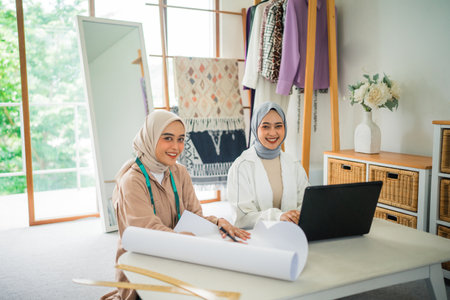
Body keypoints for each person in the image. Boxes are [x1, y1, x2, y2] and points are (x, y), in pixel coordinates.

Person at [102, 110, 250, 300]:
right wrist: (187, 241)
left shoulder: (179, 172)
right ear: (151, 137)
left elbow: (194, 217)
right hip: (143, 267)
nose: (176, 147)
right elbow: (146, 232)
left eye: (181, 139)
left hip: (177, 255)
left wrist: (217, 222)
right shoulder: (132, 180)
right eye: (168, 138)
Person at [227, 102, 310, 229]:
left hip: (292, 233)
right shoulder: (241, 166)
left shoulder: (293, 163)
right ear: (255, 128)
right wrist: (278, 217)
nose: (273, 133)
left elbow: (306, 203)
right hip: (256, 239)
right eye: (265, 126)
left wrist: (295, 216)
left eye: (278, 126)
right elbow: (241, 218)